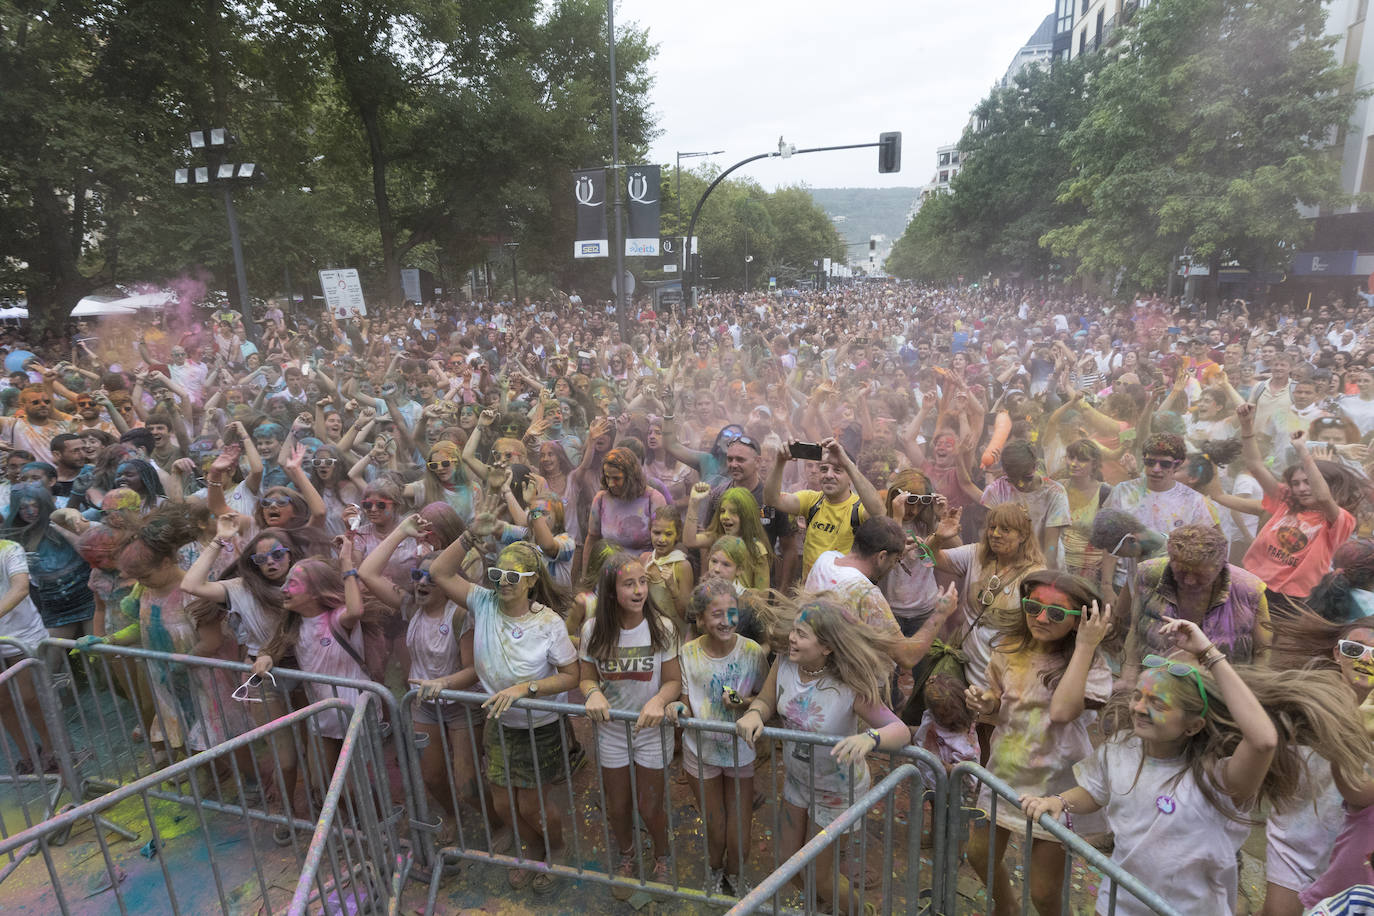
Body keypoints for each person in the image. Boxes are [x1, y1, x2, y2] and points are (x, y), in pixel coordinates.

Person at [1021, 618, 1370, 916]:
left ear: (1193, 726)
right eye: (1139, 696)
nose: (1139, 708)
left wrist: (1209, 654)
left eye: (1157, 702)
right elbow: (1095, 791)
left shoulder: (1220, 777)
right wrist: (1060, 801)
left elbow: (1263, 739)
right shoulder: (1122, 749)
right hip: (1119, 903)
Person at [734, 594, 911, 913]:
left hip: (836, 791)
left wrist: (870, 738)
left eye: (802, 634)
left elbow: (900, 730)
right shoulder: (786, 662)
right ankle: (823, 906)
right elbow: (766, 700)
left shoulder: (848, 686)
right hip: (798, 781)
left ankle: (860, 912)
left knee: (822, 875)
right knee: (790, 864)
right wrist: (754, 713)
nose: (791, 637)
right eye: (794, 630)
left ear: (827, 646)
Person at [428, 537, 578, 894]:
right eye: (497, 574)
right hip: (498, 722)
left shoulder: (549, 623)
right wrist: (468, 536)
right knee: (502, 802)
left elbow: (572, 676)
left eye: (514, 576)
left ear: (530, 580)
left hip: (538, 728)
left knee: (532, 805)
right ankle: (533, 849)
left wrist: (524, 689)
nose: (503, 582)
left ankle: (556, 849)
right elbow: (439, 571)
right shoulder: (483, 602)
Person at [964, 570, 1113, 916]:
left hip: (1053, 788)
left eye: (1058, 613)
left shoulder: (1091, 665)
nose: (1041, 618)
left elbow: (1061, 712)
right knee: (978, 855)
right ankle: (1006, 908)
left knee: (1045, 894)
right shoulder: (1008, 647)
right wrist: (988, 703)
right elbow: (1001, 701)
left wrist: (1087, 646)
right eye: (1033, 607)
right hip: (1004, 773)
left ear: (1081, 621)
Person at [579, 552, 681, 897]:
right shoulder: (592, 629)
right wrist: (591, 692)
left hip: (651, 732)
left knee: (649, 803)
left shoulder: (662, 627)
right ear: (610, 591)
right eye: (629, 584)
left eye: (642, 582)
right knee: (618, 804)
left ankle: (663, 856)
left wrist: (659, 700)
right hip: (611, 731)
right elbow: (585, 677)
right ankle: (626, 855)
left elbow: (672, 682)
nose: (639, 590)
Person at [666, 578, 769, 897]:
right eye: (717, 614)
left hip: (741, 755)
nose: (726, 621)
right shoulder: (688, 654)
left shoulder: (752, 652)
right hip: (701, 753)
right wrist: (676, 706)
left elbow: (766, 702)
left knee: (739, 829)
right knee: (714, 824)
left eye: (732, 612)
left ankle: (736, 874)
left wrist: (742, 703)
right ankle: (714, 869)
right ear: (700, 619)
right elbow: (684, 697)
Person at [1237, 404, 1361, 619]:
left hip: (1292, 598)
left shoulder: (1338, 520)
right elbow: (1255, 465)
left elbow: (1323, 497)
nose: (1302, 489)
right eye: (1296, 483)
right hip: (1254, 581)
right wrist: (1246, 425)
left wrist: (1304, 452)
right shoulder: (1286, 500)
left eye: (1308, 482)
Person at [1122, 524, 1270, 675]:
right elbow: (1134, 630)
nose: (1189, 581)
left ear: (1220, 566)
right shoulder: (1147, 574)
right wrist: (1129, 674)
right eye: (1181, 571)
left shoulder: (1250, 590)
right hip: (1156, 685)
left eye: (1200, 575)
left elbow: (1262, 653)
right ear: (1170, 559)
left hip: (1218, 691)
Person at [764, 436, 883, 580]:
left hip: (841, 596)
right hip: (810, 595)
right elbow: (771, 499)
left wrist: (847, 463)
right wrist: (780, 461)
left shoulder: (858, 507)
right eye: (824, 469)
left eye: (838, 470)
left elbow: (879, 513)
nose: (828, 475)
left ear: (850, 477)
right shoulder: (811, 500)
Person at [978, 440, 1070, 563]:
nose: (1021, 484)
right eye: (1014, 478)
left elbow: (1051, 547)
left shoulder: (1055, 493)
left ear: (1036, 466)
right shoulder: (995, 491)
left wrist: (1045, 578)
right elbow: (988, 537)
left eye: (1026, 477)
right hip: (1007, 565)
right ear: (1005, 471)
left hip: (1043, 564)